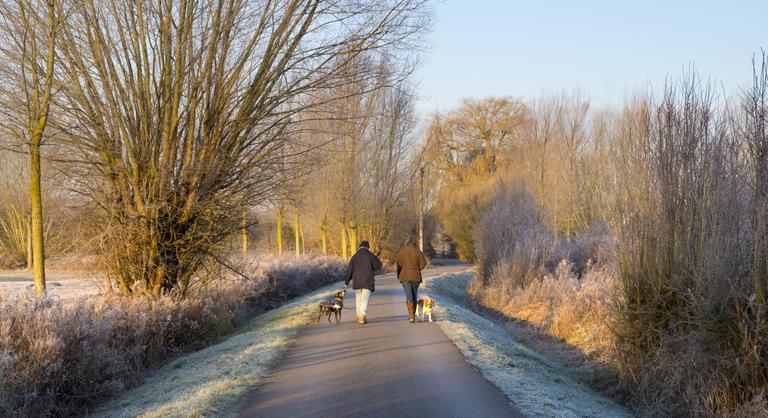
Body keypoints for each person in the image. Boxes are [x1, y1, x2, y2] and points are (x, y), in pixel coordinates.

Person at [344, 241, 382, 324]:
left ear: (360, 247)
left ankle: (358, 316)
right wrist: (375, 258)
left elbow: (349, 270)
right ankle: (362, 316)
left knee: (358, 298)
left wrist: (346, 281)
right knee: (364, 298)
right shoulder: (370, 255)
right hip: (367, 281)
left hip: (357, 281)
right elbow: (378, 266)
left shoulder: (355, 256)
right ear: (368, 247)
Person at [395, 238, 427, 323]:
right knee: (414, 295)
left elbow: (398, 262)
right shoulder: (418, 251)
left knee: (409, 295)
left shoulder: (403, 251)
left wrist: (401, 271)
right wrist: (417, 269)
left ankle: (411, 315)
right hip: (416, 276)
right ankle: (412, 315)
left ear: (407, 243)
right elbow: (423, 264)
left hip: (405, 276)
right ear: (415, 243)